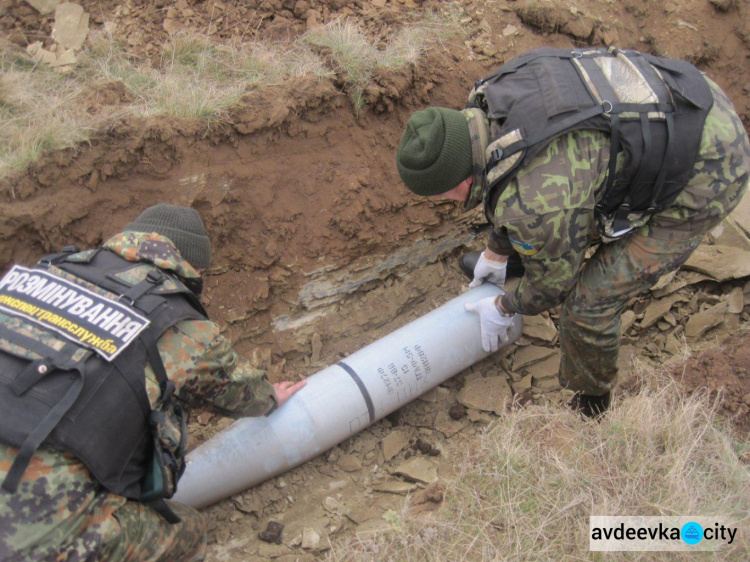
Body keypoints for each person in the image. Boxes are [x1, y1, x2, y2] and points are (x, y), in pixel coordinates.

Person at [396, 47, 750, 417]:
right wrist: (496, 251)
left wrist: (505, 306)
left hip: (710, 168)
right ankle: (532, 251)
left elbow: (554, 287)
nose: (445, 201)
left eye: (443, 193)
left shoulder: (535, 202)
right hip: (685, 94)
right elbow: (505, 173)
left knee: (586, 306)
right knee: (551, 220)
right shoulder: (488, 98)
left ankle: (592, 402)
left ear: (463, 177)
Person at [0, 204, 306, 560]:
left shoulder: (45, 272)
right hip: (25, 529)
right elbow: (237, 392)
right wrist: (270, 396)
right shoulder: (176, 323)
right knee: (187, 533)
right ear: (190, 264)